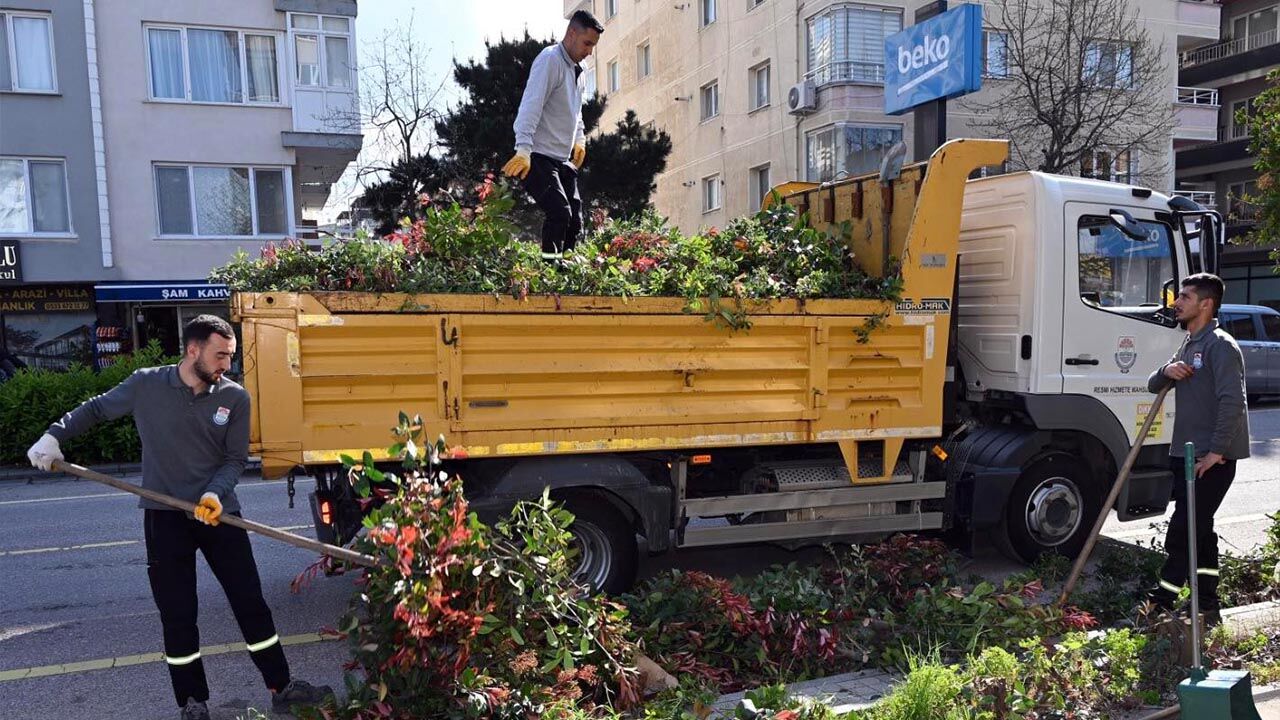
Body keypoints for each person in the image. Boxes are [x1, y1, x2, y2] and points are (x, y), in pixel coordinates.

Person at [26, 315, 332, 720]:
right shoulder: (146, 384)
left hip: (219, 515)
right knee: (178, 613)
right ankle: (192, 701)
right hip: (164, 517)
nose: (227, 364)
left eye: (231, 356)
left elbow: (234, 459)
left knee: (250, 603)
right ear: (193, 350)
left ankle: (282, 686)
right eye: (220, 355)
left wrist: (214, 493)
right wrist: (54, 435)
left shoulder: (235, 398)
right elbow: (96, 409)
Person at [1146, 273, 1251, 624]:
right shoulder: (1189, 344)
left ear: (1205, 304)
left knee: (1184, 530)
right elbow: (1153, 384)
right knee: (1200, 532)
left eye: (1185, 297)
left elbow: (1233, 402)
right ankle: (1207, 604)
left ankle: (1159, 602)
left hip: (1210, 459)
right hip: (1185, 454)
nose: (1176, 303)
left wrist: (1217, 452)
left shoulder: (1220, 345)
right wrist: (1167, 369)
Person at [501, 9, 603, 255]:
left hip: (561, 160)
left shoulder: (581, 69)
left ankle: (564, 271)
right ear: (571, 33)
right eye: (587, 43)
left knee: (575, 222)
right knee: (559, 213)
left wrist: (579, 139)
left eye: (593, 46)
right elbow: (531, 105)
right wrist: (523, 149)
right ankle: (550, 273)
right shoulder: (550, 60)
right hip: (537, 156)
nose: (590, 51)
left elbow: (576, 111)